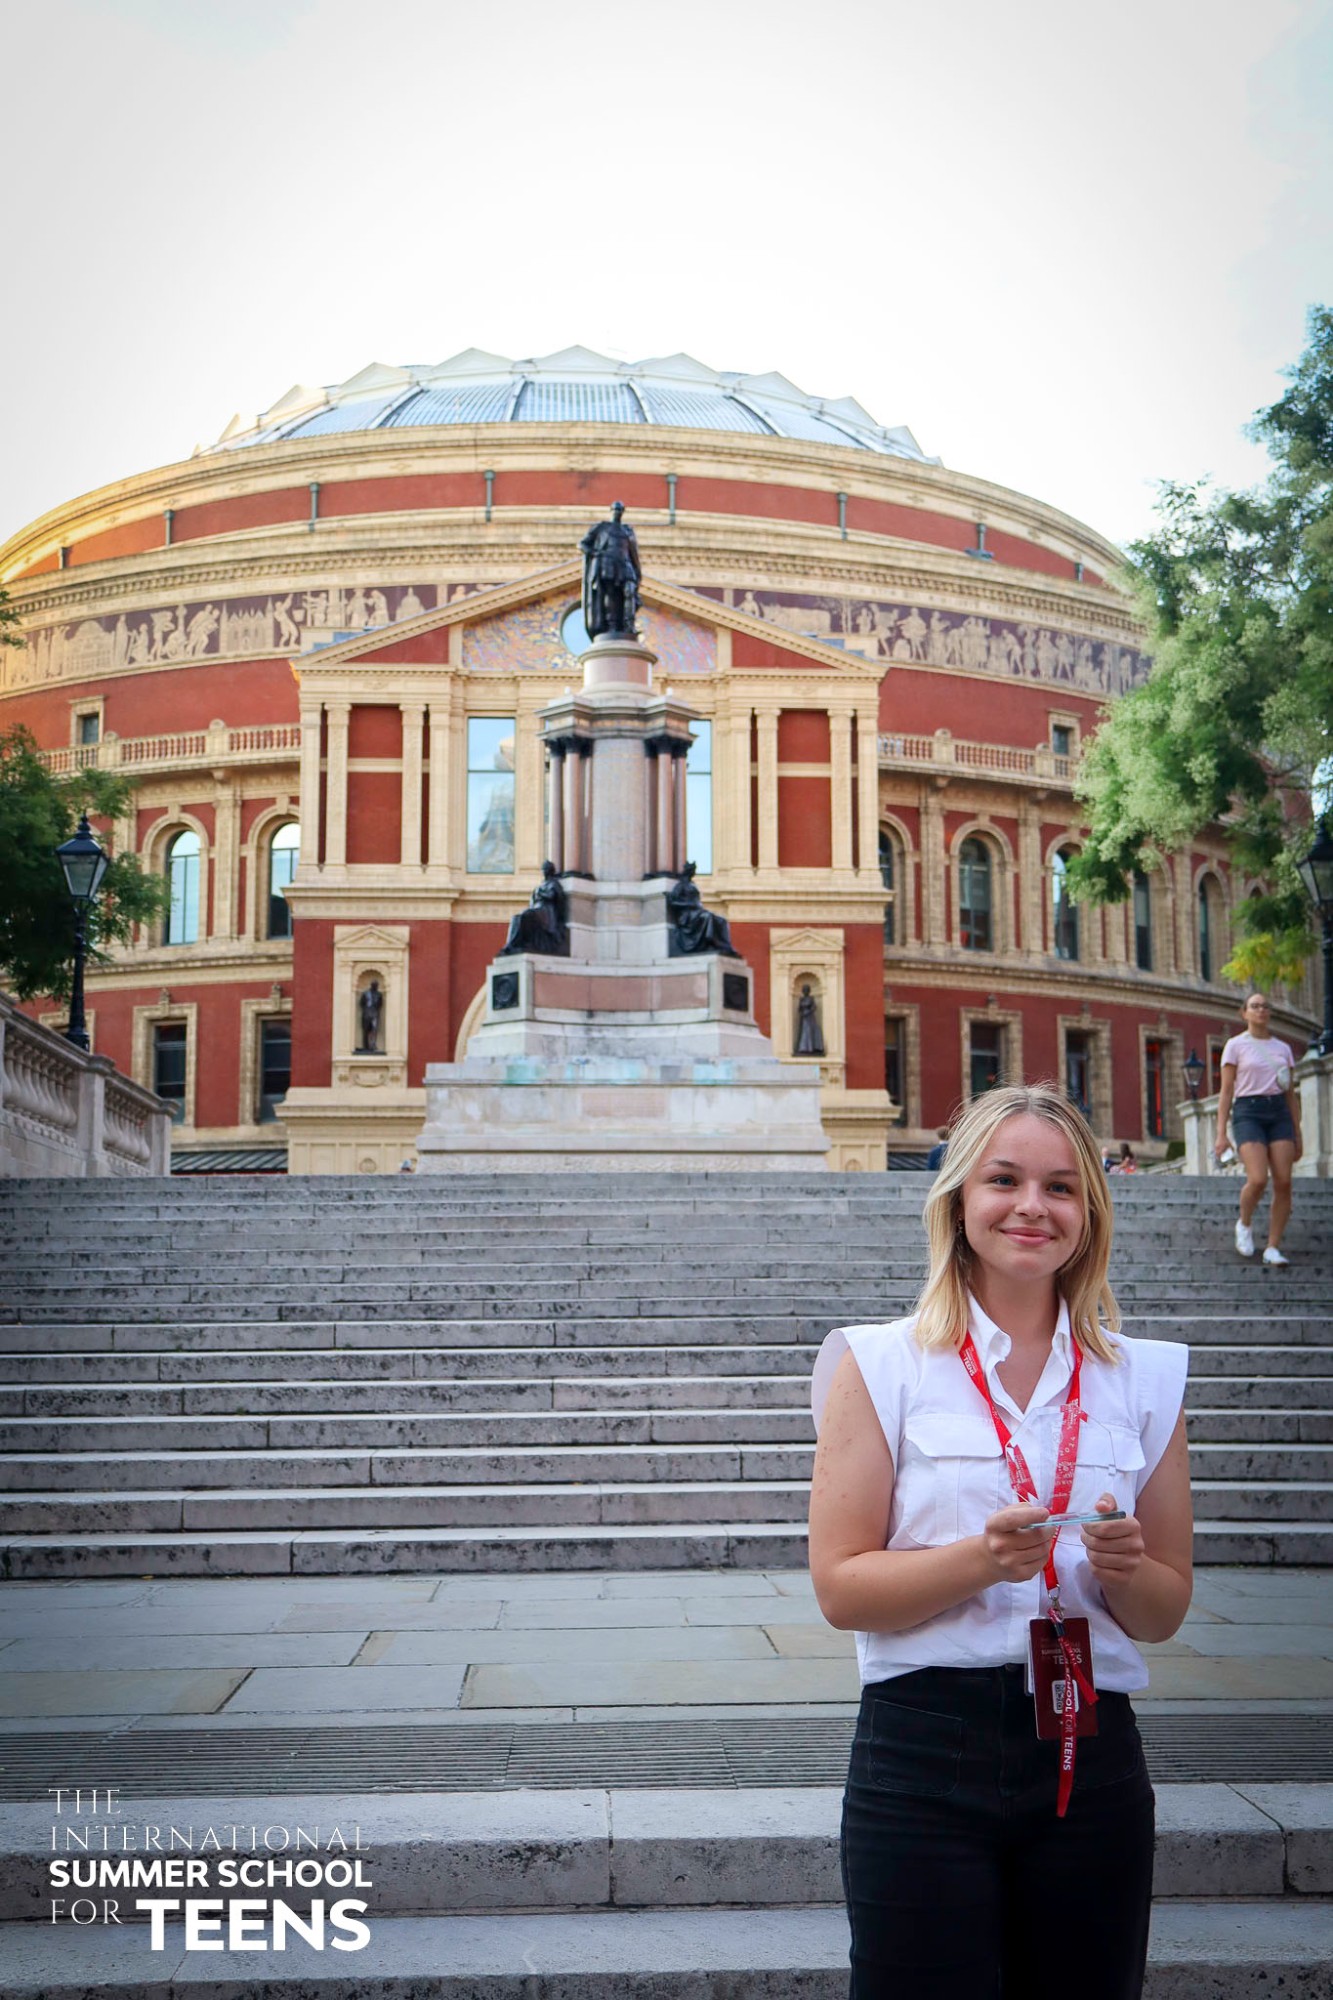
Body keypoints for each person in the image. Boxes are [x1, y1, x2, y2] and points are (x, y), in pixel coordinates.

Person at [808, 1082, 1192, 2000]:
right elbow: (840, 1588)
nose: (1031, 1207)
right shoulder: (878, 1363)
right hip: (921, 1750)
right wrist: (977, 1562)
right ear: (957, 1202)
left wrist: (1125, 1570)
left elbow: (1163, 1610)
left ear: (1088, 1215)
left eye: (1061, 1188)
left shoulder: (1146, 1378)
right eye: (1004, 1180)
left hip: (1090, 1751)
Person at [1215, 992, 1302, 1265]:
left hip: (1279, 1112)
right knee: (1258, 1179)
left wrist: (1297, 1132)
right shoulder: (1235, 1046)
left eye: (1265, 1006)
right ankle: (1244, 1223)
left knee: (1284, 1181)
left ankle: (1273, 1246)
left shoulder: (1283, 1049)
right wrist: (1221, 1134)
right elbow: (1226, 1092)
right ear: (1244, 1013)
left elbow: (1290, 1094)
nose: (1261, 1010)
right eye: (1255, 1006)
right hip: (1248, 1112)